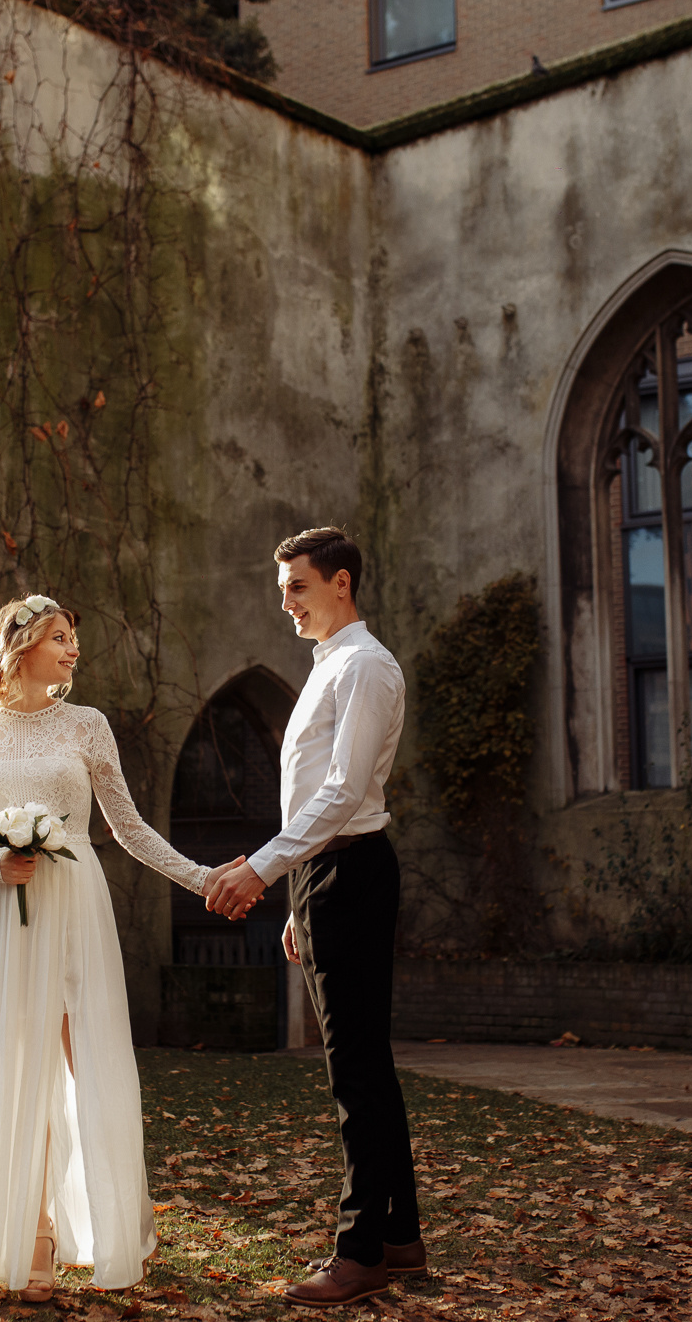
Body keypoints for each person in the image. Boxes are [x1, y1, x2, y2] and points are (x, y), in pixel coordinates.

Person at [0, 595, 244, 1301]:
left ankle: (112, 1232)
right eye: (60, 636)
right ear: (21, 643)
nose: (73, 649)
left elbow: (126, 827)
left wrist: (200, 878)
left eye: (74, 637)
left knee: (86, 1064)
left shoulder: (88, 725)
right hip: (6, 909)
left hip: (76, 907)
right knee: (10, 1070)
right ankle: (30, 1249)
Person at [204, 527, 423, 1308]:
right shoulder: (330, 665)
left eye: (297, 586)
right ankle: (399, 1237)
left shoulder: (366, 665)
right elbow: (316, 797)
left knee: (354, 1073)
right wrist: (300, 896)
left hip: (353, 869)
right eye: (282, 590)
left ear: (341, 583)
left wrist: (263, 869)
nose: (286, 603)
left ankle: (359, 1248)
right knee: (366, 1062)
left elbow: (342, 792)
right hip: (330, 873)